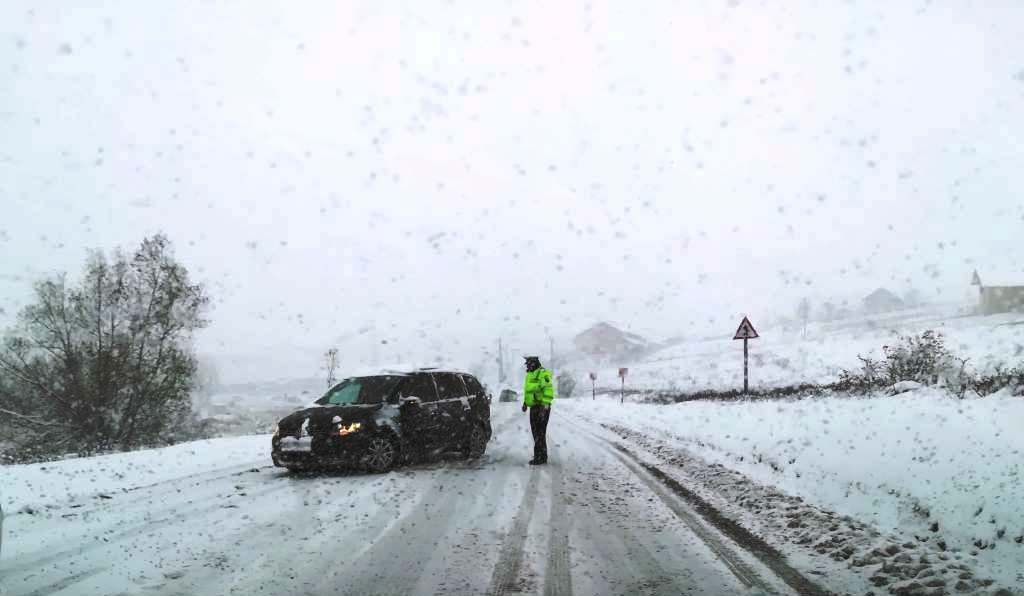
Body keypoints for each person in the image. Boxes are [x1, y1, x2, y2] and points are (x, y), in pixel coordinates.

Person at [521, 356, 555, 465]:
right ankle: (540, 456)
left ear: (534, 363)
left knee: (540, 432)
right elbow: (529, 392)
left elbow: (548, 391)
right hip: (534, 407)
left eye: (528, 363)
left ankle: (540, 457)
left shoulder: (543, 373)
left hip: (542, 407)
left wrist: (544, 407)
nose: (527, 366)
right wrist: (525, 403)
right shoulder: (530, 375)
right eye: (526, 364)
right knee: (536, 433)